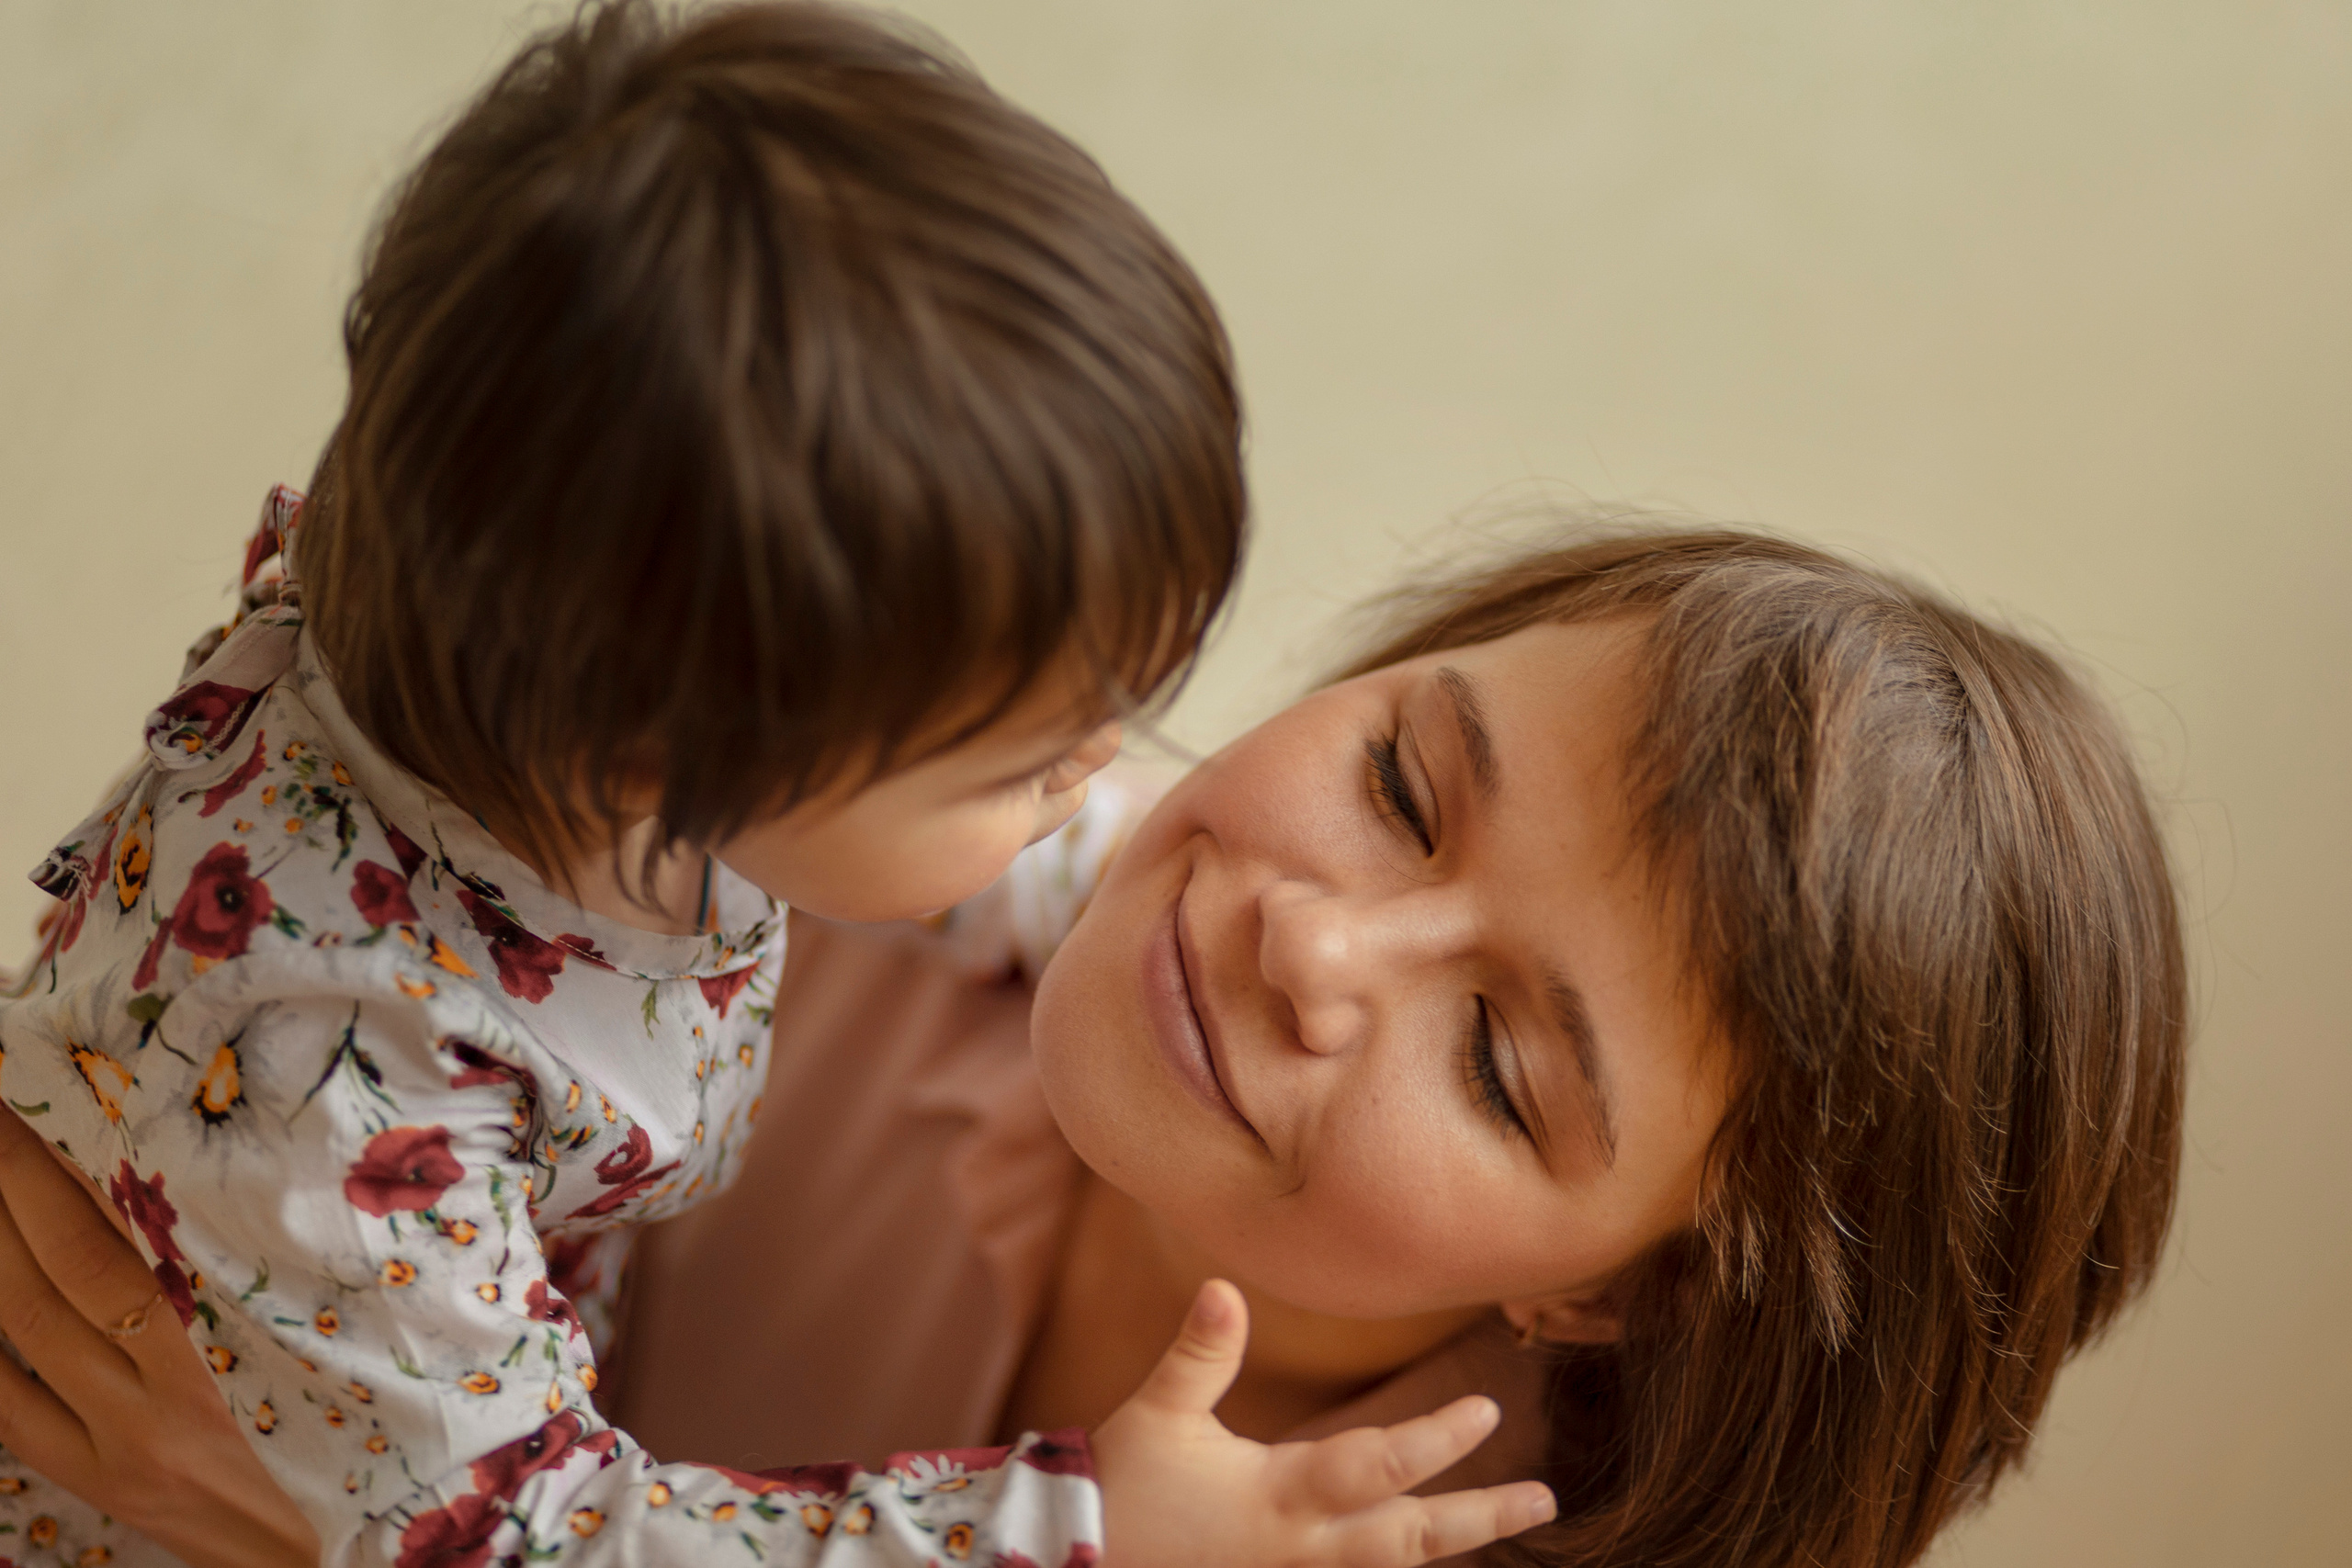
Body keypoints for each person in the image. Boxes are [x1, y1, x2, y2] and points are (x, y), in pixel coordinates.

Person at [0, 3, 1563, 1565]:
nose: (1104, 773)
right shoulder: (339, 1067)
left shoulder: (548, 631)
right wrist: (1073, 1535)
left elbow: (921, 855)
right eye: (1031, 761)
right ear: (661, 753)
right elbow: (535, 1542)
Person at [0, 526, 2187, 1568]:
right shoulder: (873, 845)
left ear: (1607, 1284)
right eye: (1407, 785)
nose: (1308, 935)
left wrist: (330, 1526)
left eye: (1505, 1066)